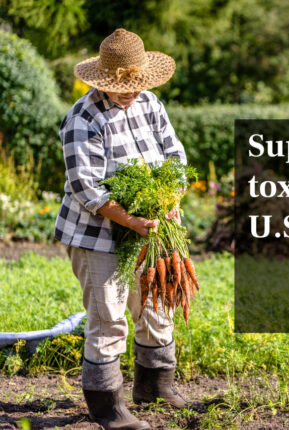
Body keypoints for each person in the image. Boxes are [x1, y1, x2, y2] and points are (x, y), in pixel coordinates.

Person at [54, 28, 188, 430]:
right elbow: (86, 188)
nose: (130, 92)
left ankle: (155, 386)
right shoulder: (83, 118)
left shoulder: (150, 103)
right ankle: (107, 407)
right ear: (101, 81)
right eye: (121, 86)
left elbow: (174, 154)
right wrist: (132, 220)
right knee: (109, 318)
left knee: (156, 307)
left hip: (150, 226)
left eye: (135, 84)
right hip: (98, 235)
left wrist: (173, 197)